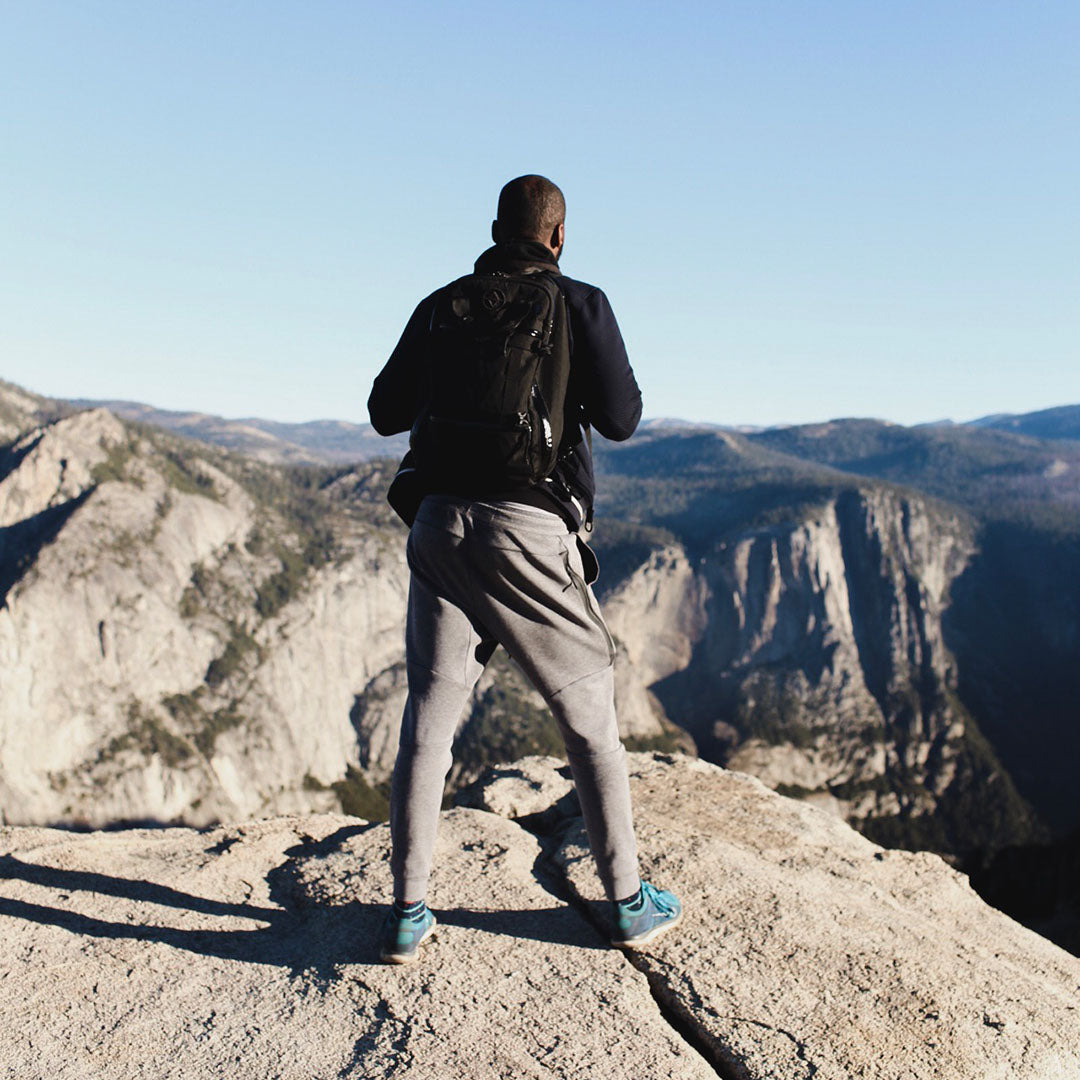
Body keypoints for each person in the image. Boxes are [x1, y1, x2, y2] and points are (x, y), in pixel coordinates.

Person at [367, 174, 682, 963]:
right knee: (591, 724)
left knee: (428, 722)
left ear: (495, 228)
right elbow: (623, 419)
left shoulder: (443, 303)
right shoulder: (580, 303)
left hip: (440, 526)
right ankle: (627, 902)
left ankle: (407, 911)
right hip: (528, 530)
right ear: (558, 236)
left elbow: (383, 412)